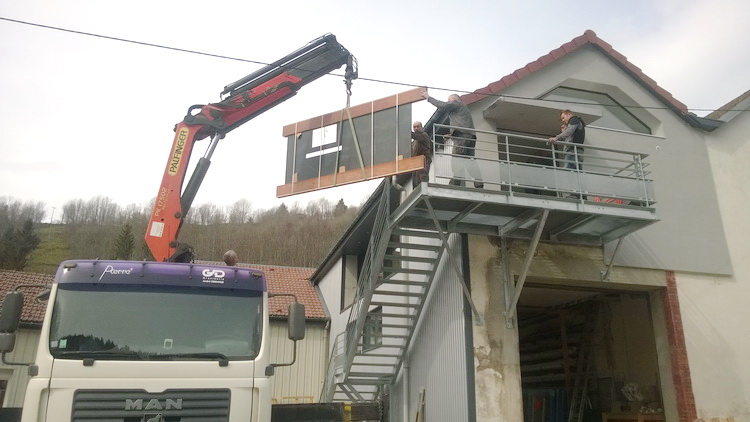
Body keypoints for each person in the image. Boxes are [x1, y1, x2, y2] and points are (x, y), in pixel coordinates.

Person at [421, 89, 483, 188]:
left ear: (454, 99)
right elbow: (462, 124)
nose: (449, 102)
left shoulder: (457, 103)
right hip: (469, 136)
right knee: (469, 160)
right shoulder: (463, 109)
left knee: (456, 159)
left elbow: (443, 105)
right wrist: (451, 135)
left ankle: (456, 182)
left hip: (462, 137)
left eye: (450, 100)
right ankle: (479, 182)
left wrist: (428, 98)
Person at [397, 121, 432, 188]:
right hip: (416, 162)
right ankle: (417, 191)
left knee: (422, 177)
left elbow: (415, 136)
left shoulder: (424, 135)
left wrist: (406, 130)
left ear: (422, 127)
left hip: (424, 160)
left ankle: (424, 189)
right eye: (414, 127)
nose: (416, 128)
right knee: (415, 181)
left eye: (418, 126)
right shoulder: (415, 142)